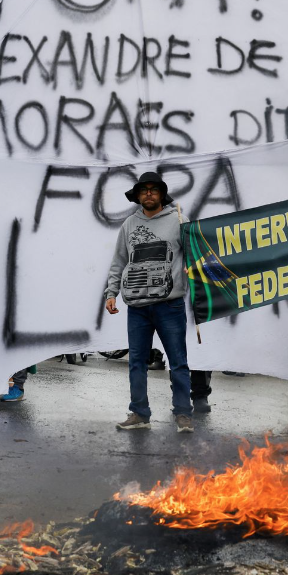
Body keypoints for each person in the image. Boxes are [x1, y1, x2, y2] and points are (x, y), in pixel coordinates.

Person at [105, 171, 194, 433]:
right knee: (136, 362)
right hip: (137, 306)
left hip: (171, 304)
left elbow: (194, 256)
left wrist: (193, 271)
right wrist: (111, 293)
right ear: (138, 195)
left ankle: (183, 413)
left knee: (178, 361)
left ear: (161, 194)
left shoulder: (179, 220)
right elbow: (119, 261)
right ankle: (139, 413)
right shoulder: (129, 225)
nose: (149, 194)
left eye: (154, 189)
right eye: (144, 190)